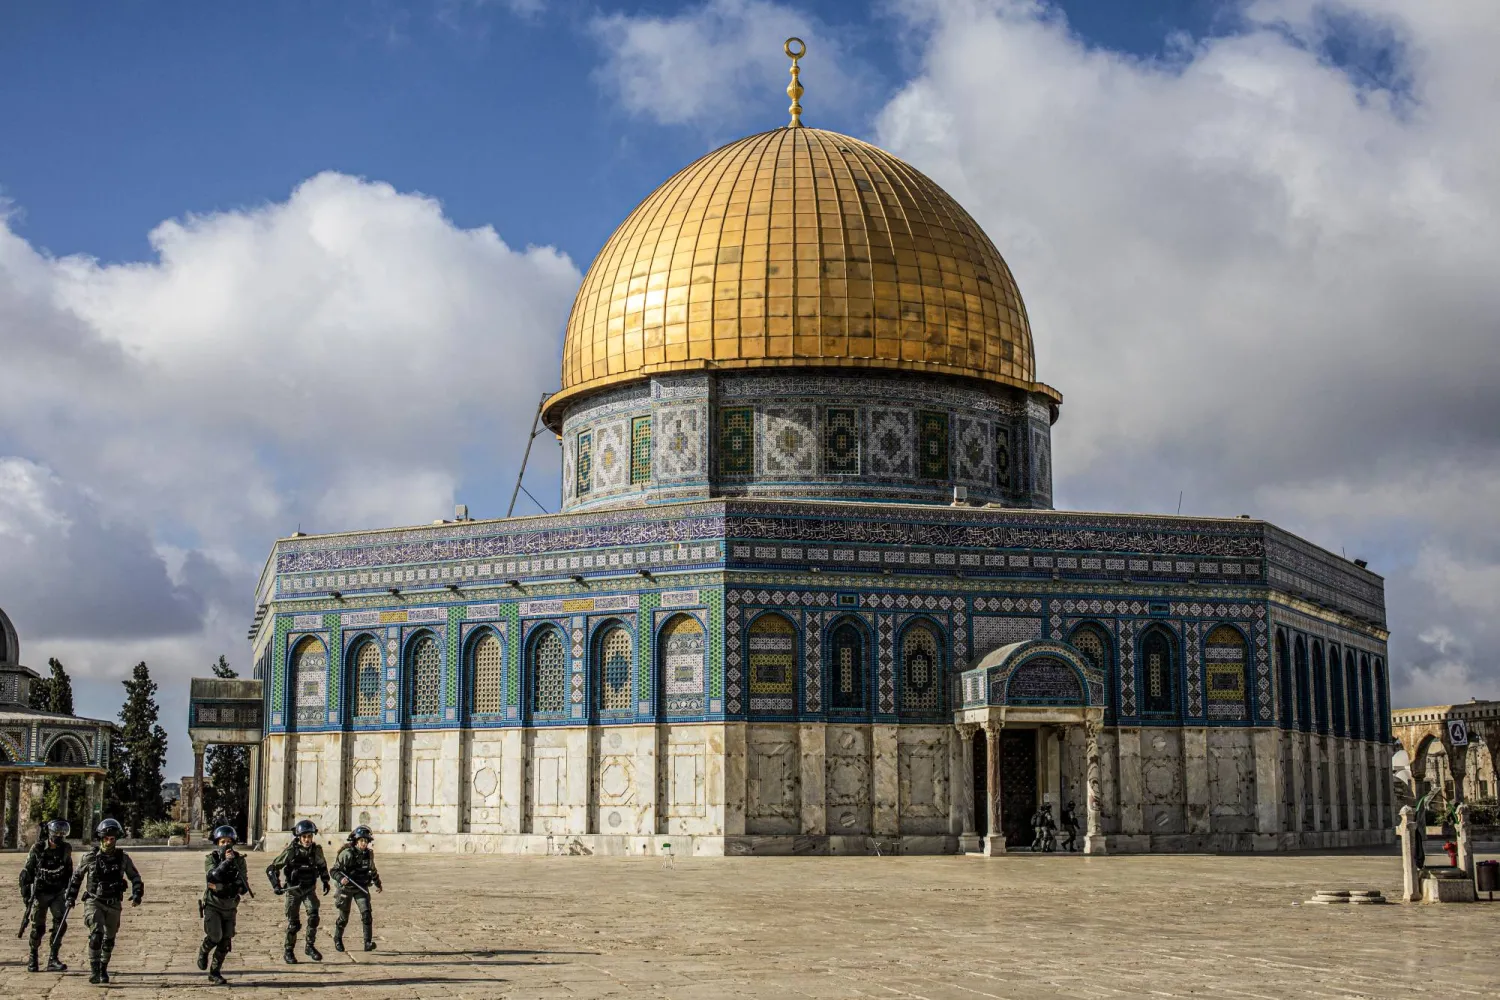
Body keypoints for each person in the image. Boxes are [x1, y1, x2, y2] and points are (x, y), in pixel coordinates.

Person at [65, 818, 144, 985]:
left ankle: (103, 968)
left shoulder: (123, 859)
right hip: (94, 901)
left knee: (109, 939)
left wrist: (137, 893)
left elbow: (135, 877)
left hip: (113, 903)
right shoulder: (90, 857)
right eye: (106, 838)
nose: (109, 842)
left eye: (112, 839)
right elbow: (76, 878)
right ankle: (94, 970)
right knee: (96, 935)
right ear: (101, 838)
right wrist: (71, 897)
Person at [265, 818, 330, 964]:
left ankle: (310, 946)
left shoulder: (316, 850)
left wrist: (325, 880)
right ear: (299, 837)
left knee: (314, 916)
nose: (307, 840)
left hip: (309, 889)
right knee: (294, 924)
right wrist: (276, 885)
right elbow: (272, 868)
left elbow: (322, 865)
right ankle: (289, 950)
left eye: (310, 836)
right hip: (293, 891)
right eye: (305, 837)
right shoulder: (291, 852)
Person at [19, 818, 74, 972]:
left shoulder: (66, 849)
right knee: (38, 927)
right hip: (40, 893)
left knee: (61, 923)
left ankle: (53, 958)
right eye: (56, 832)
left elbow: (69, 872)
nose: (59, 836)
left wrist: (70, 893)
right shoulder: (38, 848)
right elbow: (26, 874)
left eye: (62, 833)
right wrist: (26, 896)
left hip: (57, 892)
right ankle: (33, 957)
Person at [199, 825, 251, 985]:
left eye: (229, 841)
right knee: (215, 936)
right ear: (217, 843)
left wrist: (227, 887)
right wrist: (226, 863)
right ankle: (204, 950)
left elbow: (242, 886)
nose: (226, 845)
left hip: (230, 905)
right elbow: (212, 877)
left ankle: (215, 972)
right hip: (213, 905)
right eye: (223, 841)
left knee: (225, 940)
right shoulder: (211, 859)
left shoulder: (240, 860)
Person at [330, 825, 383, 952]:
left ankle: (368, 942)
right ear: (356, 841)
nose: (364, 843)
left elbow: (372, 870)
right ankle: (337, 939)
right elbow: (334, 870)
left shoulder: (368, 855)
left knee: (366, 914)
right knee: (344, 918)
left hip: (361, 888)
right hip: (346, 889)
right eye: (361, 841)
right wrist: (341, 879)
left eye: (366, 841)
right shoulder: (346, 854)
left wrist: (378, 883)